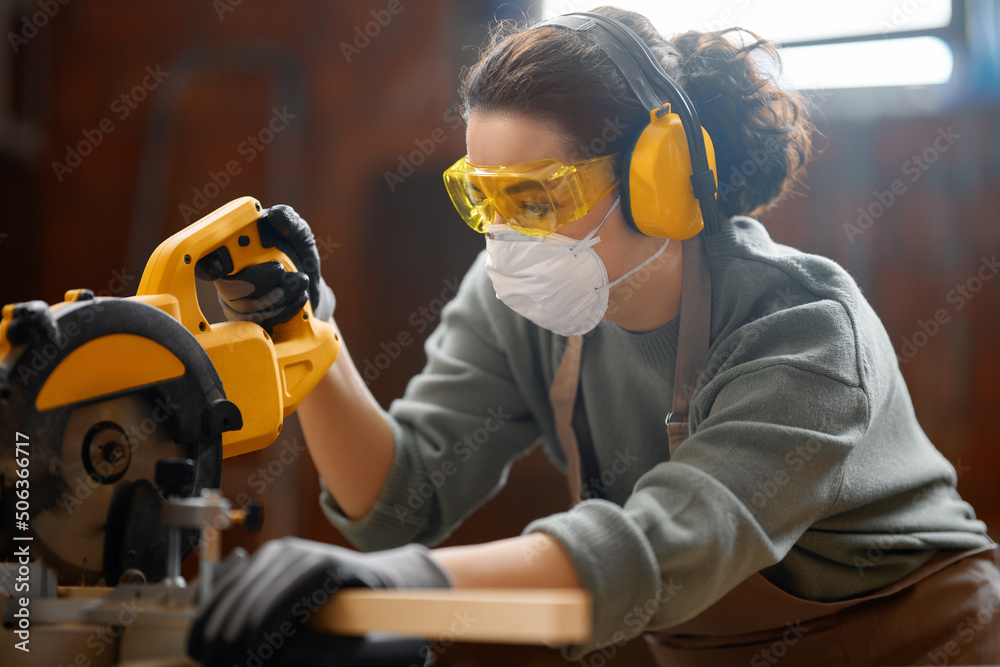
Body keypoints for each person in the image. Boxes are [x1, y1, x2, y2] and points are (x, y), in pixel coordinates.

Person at [189, 6, 1000, 666]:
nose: (506, 239)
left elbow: (656, 550)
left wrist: (395, 584)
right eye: (486, 200)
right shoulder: (519, 301)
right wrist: (307, 335)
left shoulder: (804, 332)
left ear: (659, 181)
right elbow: (400, 500)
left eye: (536, 198)